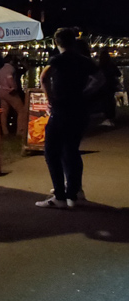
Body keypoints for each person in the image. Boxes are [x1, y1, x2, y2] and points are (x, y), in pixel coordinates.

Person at [36, 27, 100, 209]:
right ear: (73, 41)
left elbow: (44, 77)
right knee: (71, 150)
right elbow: (100, 80)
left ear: (56, 43)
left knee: (51, 151)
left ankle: (60, 196)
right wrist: (84, 93)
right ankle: (73, 193)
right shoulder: (85, 61)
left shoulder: (58, 59)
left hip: (61, 109)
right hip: (80, 110)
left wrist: (50, 100)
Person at [0, 54, 27, 136]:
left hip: (1, 92)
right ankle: (20, 131)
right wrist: (13, 86)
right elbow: (9, 77)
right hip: (9, 91)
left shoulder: (1, 69)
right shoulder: (10, 68)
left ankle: (4, 131)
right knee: (21, 110)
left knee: (4, 112)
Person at [97, 50, 122, 127]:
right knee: (111, 100)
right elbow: (119, 73)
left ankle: (108, 118)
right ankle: (111, 117)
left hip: (104, 85)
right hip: (112, 85)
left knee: (106, 101)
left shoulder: (100, 66)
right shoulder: (111, 65)